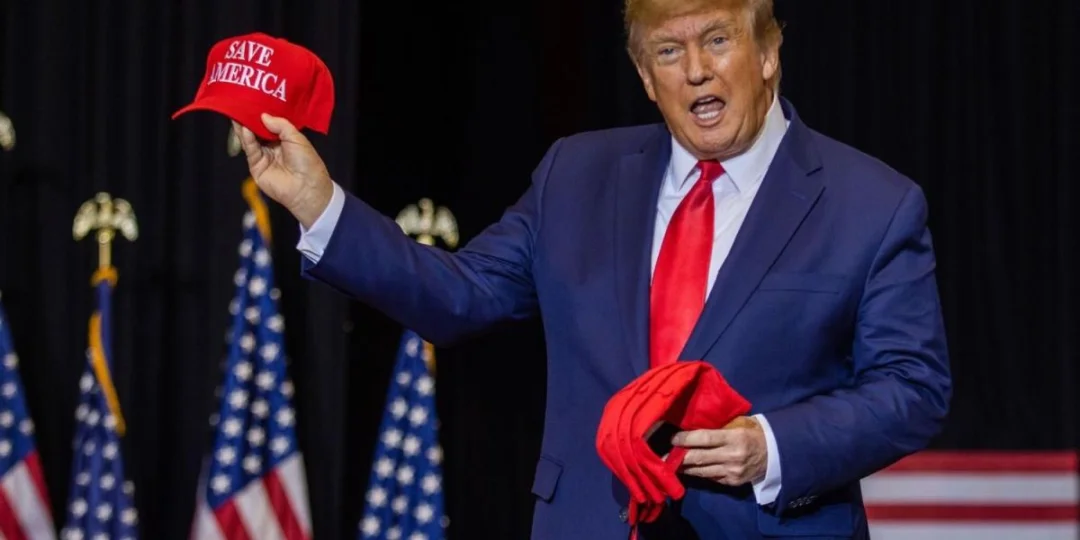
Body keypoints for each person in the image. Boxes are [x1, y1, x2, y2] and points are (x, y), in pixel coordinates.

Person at [232, 0, 952, 537]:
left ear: (767, 52)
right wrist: (319, 204)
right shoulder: (576, 175)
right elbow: (459, 295)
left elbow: (913, 387)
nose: (696, 69)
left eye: (717, 39)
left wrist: (772, 446)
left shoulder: (871, 204)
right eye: (668, 51)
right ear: (645, 77)